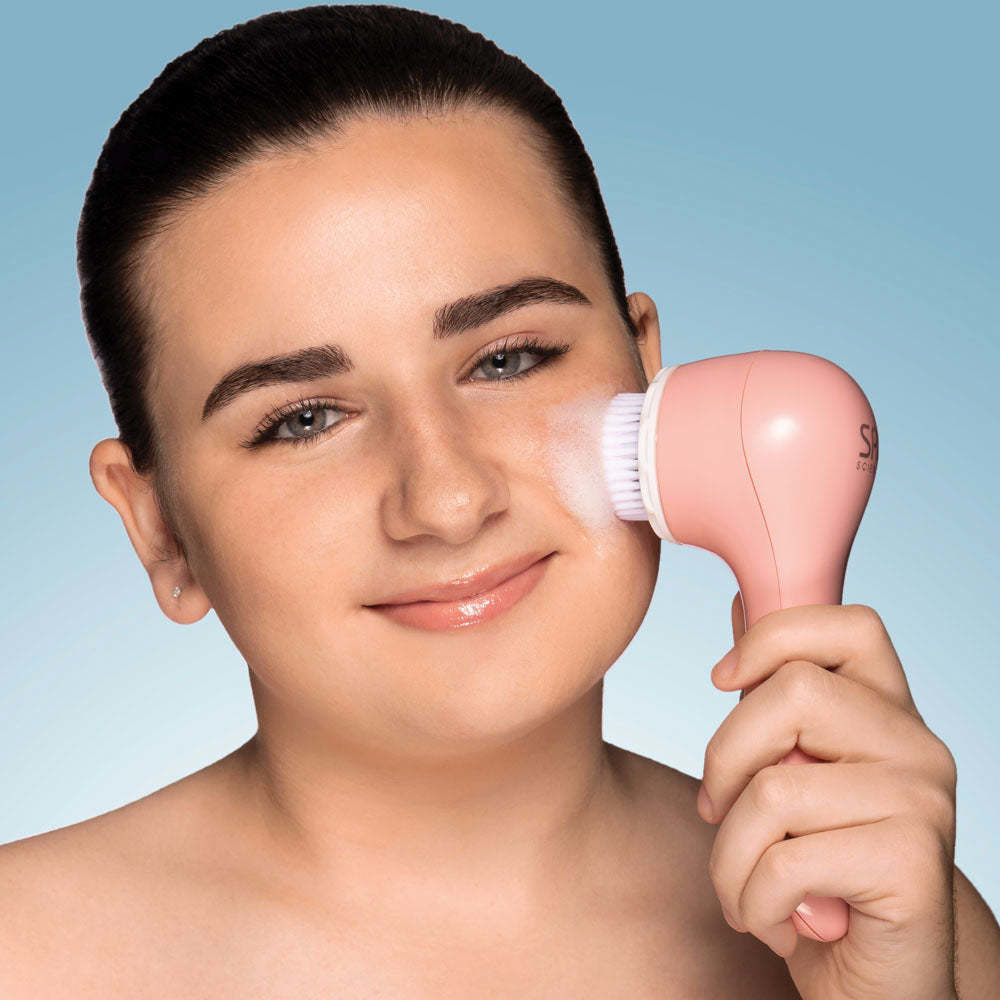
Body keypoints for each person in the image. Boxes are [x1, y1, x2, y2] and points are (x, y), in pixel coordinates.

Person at [1, 5, 997, 997]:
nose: (447, 499)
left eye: (508, 360)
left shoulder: (898, 924)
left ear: (651, 382)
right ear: (160, 531)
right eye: (303, 419)